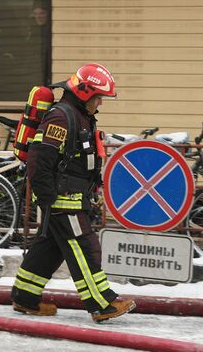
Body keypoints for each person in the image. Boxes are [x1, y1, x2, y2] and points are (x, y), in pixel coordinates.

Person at [11, 63, 136, 322]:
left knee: (51, 247)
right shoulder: (61, 117)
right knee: (85, 247)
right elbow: (39, 159)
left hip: (72, 196)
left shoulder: (79, 116)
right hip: (63, 199)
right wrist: (48, 198)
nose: (100, 103)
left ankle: (25, 296)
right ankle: (102, 303)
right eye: (99, 98)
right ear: (85, 93)